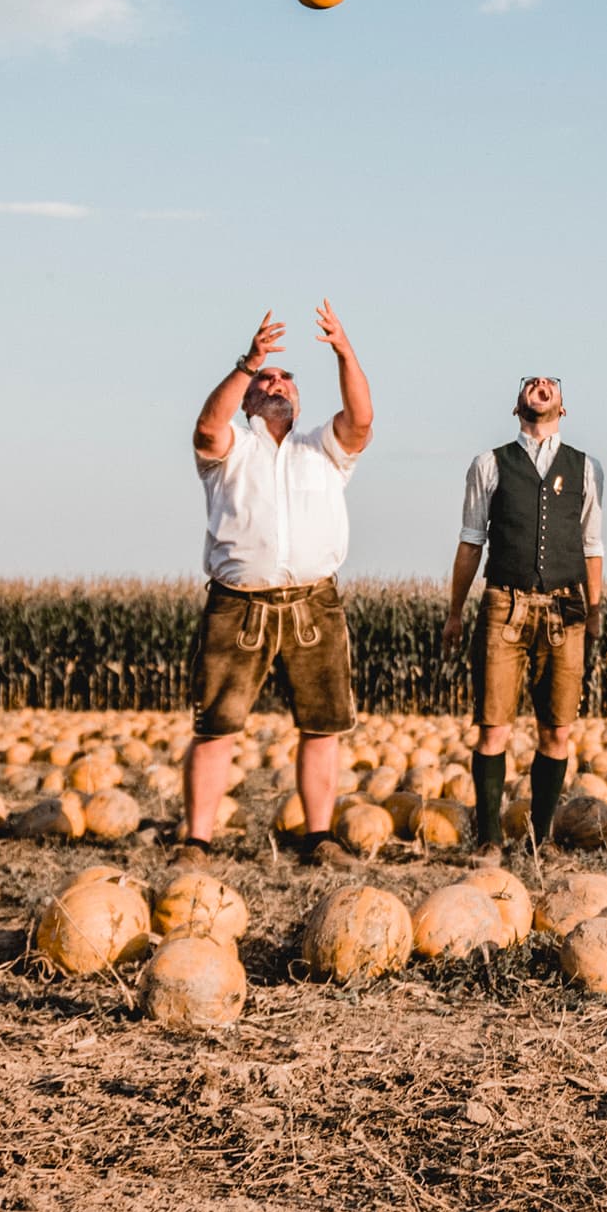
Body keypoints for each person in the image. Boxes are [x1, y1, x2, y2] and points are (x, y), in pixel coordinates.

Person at [184, 301, 374, 859]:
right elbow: (206, 426)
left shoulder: (324, 448)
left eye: (285, 378)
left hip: (314, 604)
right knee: (216, 726)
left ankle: (319, 837)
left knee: (323, 726)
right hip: (237, 607)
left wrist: (344, 350)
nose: (275, 383)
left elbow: (361, 419)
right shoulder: (229, 449)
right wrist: (249, 361)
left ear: (298, 398)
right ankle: (196, 840)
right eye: (265, 379)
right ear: (247, 398)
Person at [445, 374, 607, 852]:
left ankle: (540, 839)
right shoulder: (489, 464)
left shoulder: (587, 468)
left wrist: (595, 610)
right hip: (504, 605)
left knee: (557, 727)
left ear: (563, 406)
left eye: (551, 382)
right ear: (517, 405)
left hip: (566, 608)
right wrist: (455, 611)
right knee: (494, 723)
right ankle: (490, 840)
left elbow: (592, 545)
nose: (541, 383)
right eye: (531, 382)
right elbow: (471, 541)